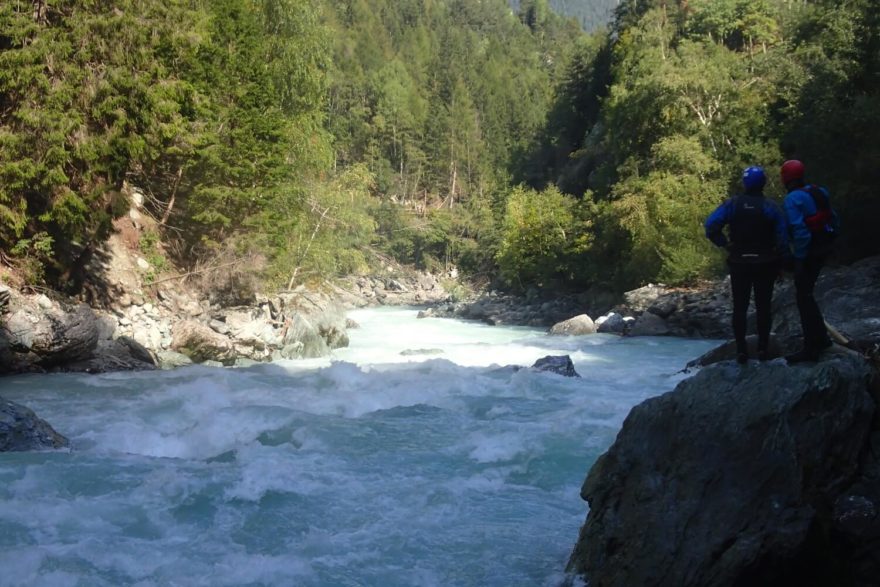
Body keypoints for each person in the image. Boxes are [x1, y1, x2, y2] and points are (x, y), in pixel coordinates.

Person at [705, 166, 788, 364]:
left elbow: (711, 226)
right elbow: (783, 235)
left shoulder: (733, 204)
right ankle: (762, 350)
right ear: (763, 183)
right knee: (763, 307)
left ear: (745, 183)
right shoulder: (770, 207)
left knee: (740, 308)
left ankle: (741, 350)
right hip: (765, 262)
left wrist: (724, 243)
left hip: (739, 261)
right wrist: (783, 259)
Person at [780, 159, 838, 363]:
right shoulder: (819, 190)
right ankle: (820, 339)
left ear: (786, 178)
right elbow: (833, 218)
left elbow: (800, 231)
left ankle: (812, 347)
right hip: (824, 247)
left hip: (811, 252)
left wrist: (799, 259)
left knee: (803, 296)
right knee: (806, 294)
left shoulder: (792, 199)